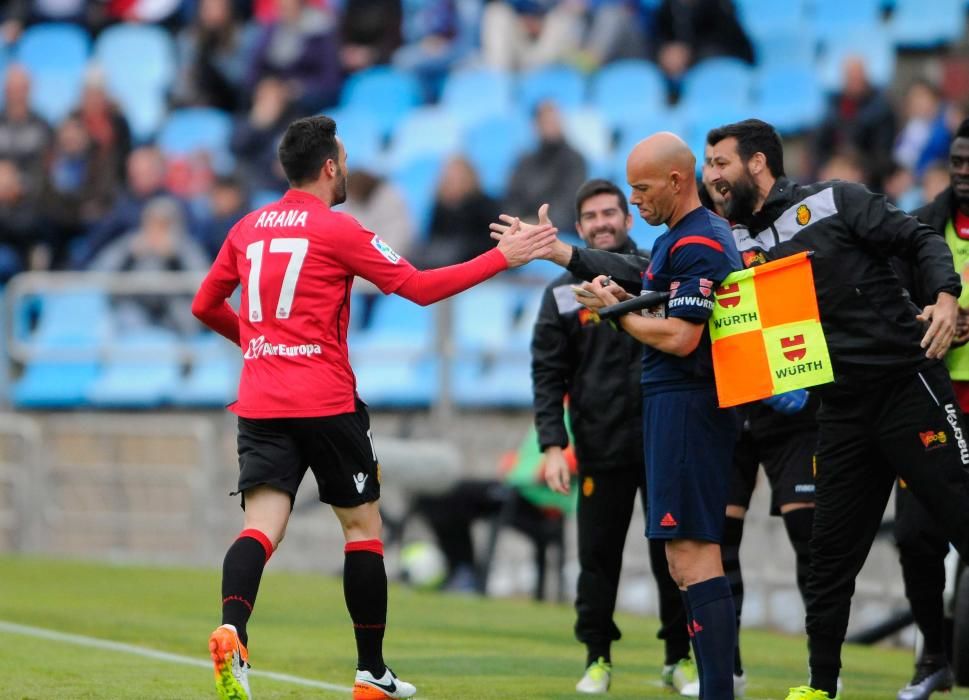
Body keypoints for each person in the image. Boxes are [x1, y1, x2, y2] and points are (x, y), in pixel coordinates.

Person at [191, 114, 556, 700]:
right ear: (330, 166)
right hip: (324, 401)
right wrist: (502, 259)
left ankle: (233, 630)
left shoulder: (247, 228)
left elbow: (205, 305)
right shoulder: (338, 228)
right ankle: (371, 674)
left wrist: (262, 342)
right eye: (344, 158)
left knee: (260, 526)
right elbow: (419, 288)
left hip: (260, 398)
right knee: (362, 528)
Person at [704, 118, 969, 700]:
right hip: (842, 410)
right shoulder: (727, 241)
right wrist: (585, 267)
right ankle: (821, 687)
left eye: (720, 163)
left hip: (907, 386)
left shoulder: (834, 200)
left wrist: (945, 297)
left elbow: (919, 239)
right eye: (707, 165)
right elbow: (661, 273)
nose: (711, 176)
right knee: (828, 558)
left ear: (756, 164)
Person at [493, 131, 742, 698]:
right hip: (619, 438)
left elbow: (681, 338)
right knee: (660, 557)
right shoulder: (671, 244)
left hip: (684, 413)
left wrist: (616, 314)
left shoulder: (695, 242)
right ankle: (606, 658)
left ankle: (704, 677)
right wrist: (559, 254)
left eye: (639, 190)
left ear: (678, 181)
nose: (634, 202)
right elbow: (547, 372)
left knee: (688, 556)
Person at [533, 178, 693, 694]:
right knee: (598, 558)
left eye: (610, 213)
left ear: (627, 219)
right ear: (579, 229)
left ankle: (679, 657)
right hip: (601, 449)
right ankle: (597, 658)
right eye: (591, 217)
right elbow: (546, 375)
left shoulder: (657, 273)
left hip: (665, 442)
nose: (602, 222)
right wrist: (553, 446)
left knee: (673, 555)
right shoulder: (560, 293)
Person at [890, 118, 969, 700]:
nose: (963, 173)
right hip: (930, 400)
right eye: (958, 162)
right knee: (916, 536)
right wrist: (927, 316)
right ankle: (933, 655)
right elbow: (889, 296)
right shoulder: (922, 225)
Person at [504, 101, 587, 234]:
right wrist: (517, 224)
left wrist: (539, 225)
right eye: (546, 121)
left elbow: (570, 203)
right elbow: (513, 199)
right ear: (535, 125)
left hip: (560, 230)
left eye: (555, 120)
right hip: (524, 229)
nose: (552, 125)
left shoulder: (575, 160)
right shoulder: (524, 162)